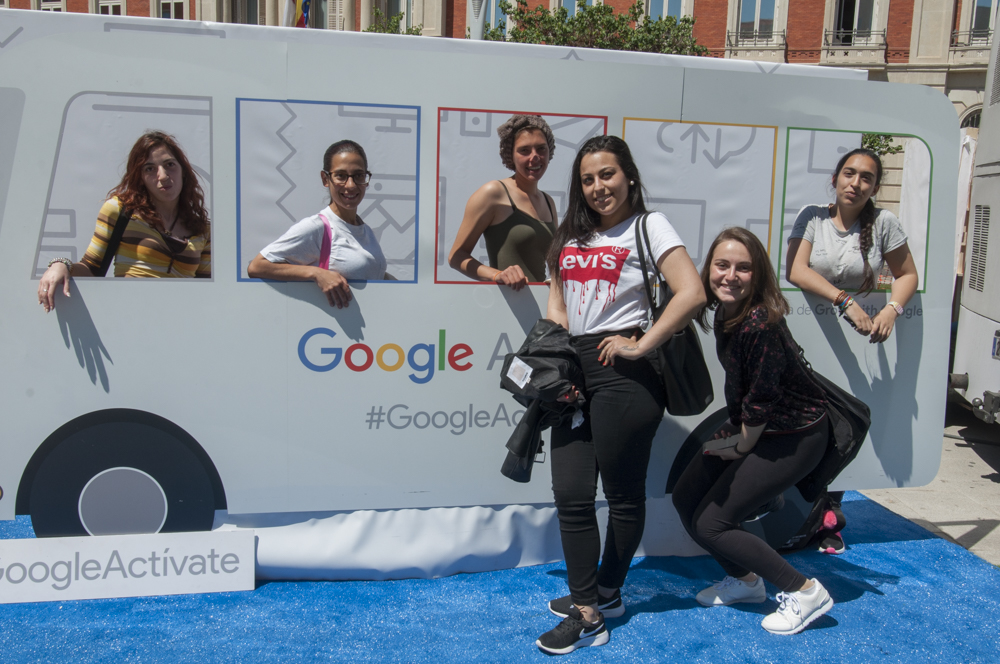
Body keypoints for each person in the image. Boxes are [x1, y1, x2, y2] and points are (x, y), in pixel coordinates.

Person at [537, 135, 705, 655]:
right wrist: (554, 360)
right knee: (570, 494)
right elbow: (558, 305)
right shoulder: (568, 236)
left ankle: (596, 606)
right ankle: (592, 596)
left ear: (629, 176)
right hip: (574, 371)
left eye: (607, 174)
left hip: (625, 373)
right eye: (587, 179)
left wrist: (642, 343)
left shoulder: (649, 226)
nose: (598, 187)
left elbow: (692, 292)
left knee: (622, 495)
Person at [673, 227, 835, 636]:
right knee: (686, 496)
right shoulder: (725, 312)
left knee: (713, 523)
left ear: (757, 274)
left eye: (743, 268)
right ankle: (745, 582)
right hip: (754, 425)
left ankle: (805, 592)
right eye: (722, 265)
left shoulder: (760, 322)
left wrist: (739, 447)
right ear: (709, 268)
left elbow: (762, 398)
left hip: (793, 435)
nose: (730, 276)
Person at [37, 131, 211, 311]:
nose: (163, 175)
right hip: (129, 317)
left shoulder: (203, 229)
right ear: (140, 178)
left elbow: (207, 290)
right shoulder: (120, 210)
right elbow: (91, 268)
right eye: (149, 169)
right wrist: (61, 265)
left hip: (182, 319)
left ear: (184, 171)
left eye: (170, 164)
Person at [786, 148, 918, 343]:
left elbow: (907, 275)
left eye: (866, 178)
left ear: (875, 189)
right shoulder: (811, 215)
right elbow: (795, 271)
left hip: (864, 338)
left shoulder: (884, 221)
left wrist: (892, 310)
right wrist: (845, 301)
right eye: (849, 174)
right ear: (834, 179)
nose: (855, 183)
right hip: (811, 332)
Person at [247, 140, 390, 308]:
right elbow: (257, 266)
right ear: (325, 179)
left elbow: (374, 277)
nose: (350, 185)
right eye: (341, 176)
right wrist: (316, 273)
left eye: (358, 175)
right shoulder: (318, 227)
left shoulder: (365, 230)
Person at [447, 114, 558, 290]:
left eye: (541, 148)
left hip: (543, 304)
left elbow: (554, 266)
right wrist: (497, 275)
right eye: (524, 150)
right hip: (505, 304)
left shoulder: (548, 202)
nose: (535, 157)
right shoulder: (493, 193)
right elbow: (456, 257)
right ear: (510, 155)